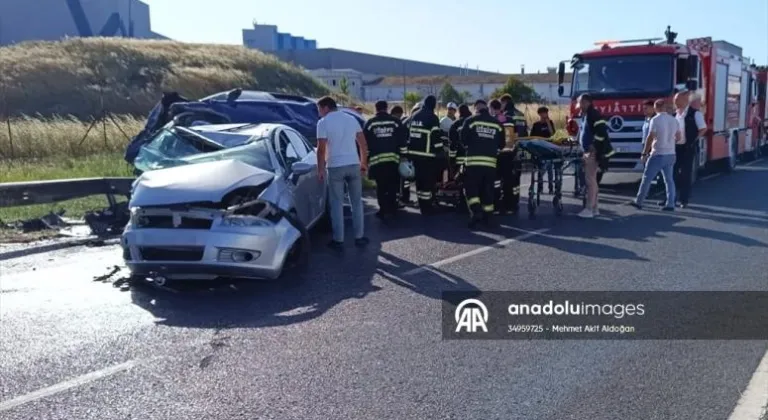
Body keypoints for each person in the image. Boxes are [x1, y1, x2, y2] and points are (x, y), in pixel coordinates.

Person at [316, 96, 369, 251]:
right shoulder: (351, 119)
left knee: (337, 203)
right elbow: (362, 143)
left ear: (326, 107)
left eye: (319, 109)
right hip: (353, 164)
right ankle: (359, 237)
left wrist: (320, 169)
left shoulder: (323, 123)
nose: (319, 112)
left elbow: (321, 149)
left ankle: (338, 240)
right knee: (357, 202)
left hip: (335, 166)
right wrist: (364, 162)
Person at [460, 100, 505, 228]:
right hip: (490, 164)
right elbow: (501, 145)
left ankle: (476, 212)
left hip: (473, 163)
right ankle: (488, 216)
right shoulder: (497, 123)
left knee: (471, 190)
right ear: (487, 108)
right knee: (488, 190)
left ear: (476, 109)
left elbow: (463, 140)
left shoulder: (470, 121)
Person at [630, 99, 680, 211]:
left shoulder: (655, 120)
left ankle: (639, 201)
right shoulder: (674, 120)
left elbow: (650, 137)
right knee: (669, 180)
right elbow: (679, 137)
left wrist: (644, 152)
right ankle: (670, 203)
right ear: (665, 107)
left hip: (657, 153)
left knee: (647, 178)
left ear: (656, 107)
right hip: (671, 154)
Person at [364, 100, 407, 221]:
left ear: (376, 109)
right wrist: (403, 156)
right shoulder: (396, 122)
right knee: (393, 185)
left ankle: (383, 210)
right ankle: (393, 209)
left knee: (381, 186)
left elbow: (365, 143)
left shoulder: (370, 123)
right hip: (393, 161)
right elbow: (402, 141)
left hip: (377, 162)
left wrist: (365, 159)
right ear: (386, 108)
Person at [405, 95, 443, 215]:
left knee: (419, 181)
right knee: (427, 182)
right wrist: (440, 151)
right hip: (426, 155)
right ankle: (427, 208)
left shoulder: (414, 116)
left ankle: (421, 204)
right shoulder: (432, 118)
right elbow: (436, 137)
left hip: (413, 154)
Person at [576, 93, 610, 218]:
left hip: (592, 152)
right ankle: (595, 208)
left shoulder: (593, 114)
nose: (578, 105)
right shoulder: (586, 115)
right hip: (588, 151)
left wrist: (594, 145)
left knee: (590, 181)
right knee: (592, 180)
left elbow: (602, 131)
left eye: (579, 103)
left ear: (586, 102)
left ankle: (589, 208)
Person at [673, 92, 707, 208]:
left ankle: (684, 200)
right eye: (674, 99)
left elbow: (703, 129)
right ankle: (670, 199)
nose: (675, 102)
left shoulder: (695, 114)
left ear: (685, 100)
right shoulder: (675, 115)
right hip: (676, 147)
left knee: (685, 174)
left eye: (677, 99)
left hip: (688, 147)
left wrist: (694, 140)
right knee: (671, 173)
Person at [498, 96, 529, 214]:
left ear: (505, 102)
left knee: (506, 177)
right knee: (516, 176)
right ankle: (515, 201)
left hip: (509, 150)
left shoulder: (506, 116)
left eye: (501, 103)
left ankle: (507, 201)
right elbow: (525, 132)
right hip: (520, 148)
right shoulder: (521, 114)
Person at [530, 106, 557, 193]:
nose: (545, 115)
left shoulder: (550, 123)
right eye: (543, 113)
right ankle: (540, 187)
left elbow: (553, 134)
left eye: (546, 113)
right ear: (540, 114)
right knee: (541, 169)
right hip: (539, 149)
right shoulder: (536, 125)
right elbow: (532, 137)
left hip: (548, 148)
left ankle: (551, 187)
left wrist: (548, 123)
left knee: (549, 168)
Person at [448, 104, 472, 178]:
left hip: (459, 158)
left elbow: (452, 143)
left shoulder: (455, 124)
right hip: (472, 159)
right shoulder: (473, 123)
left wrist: (451, 159)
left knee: (459, 181)